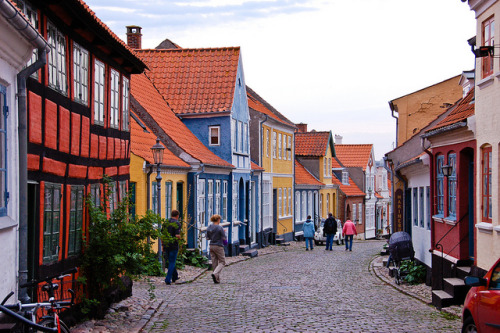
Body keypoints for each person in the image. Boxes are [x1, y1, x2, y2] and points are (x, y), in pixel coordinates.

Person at [206, 214, 227, 284]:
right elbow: (224, 238)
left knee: (214, 261)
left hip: (211, 245)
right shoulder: (219, 228)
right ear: (218, 220)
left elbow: (207, 238)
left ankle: (216, 279)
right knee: (222, 261)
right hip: (218, 246)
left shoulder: (209, 227)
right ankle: (215, 273)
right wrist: (225, 241)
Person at [163, 210, 181, 285]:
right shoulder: (177, 223)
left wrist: (162, 245)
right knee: (172, 262)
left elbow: (162, 234)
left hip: (166, 244)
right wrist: (180, 238)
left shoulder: (166, 223)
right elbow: (177, 236)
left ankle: (175, 276)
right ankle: (168, 279)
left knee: (170, 261)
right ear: (177, 216)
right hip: (173, 245)